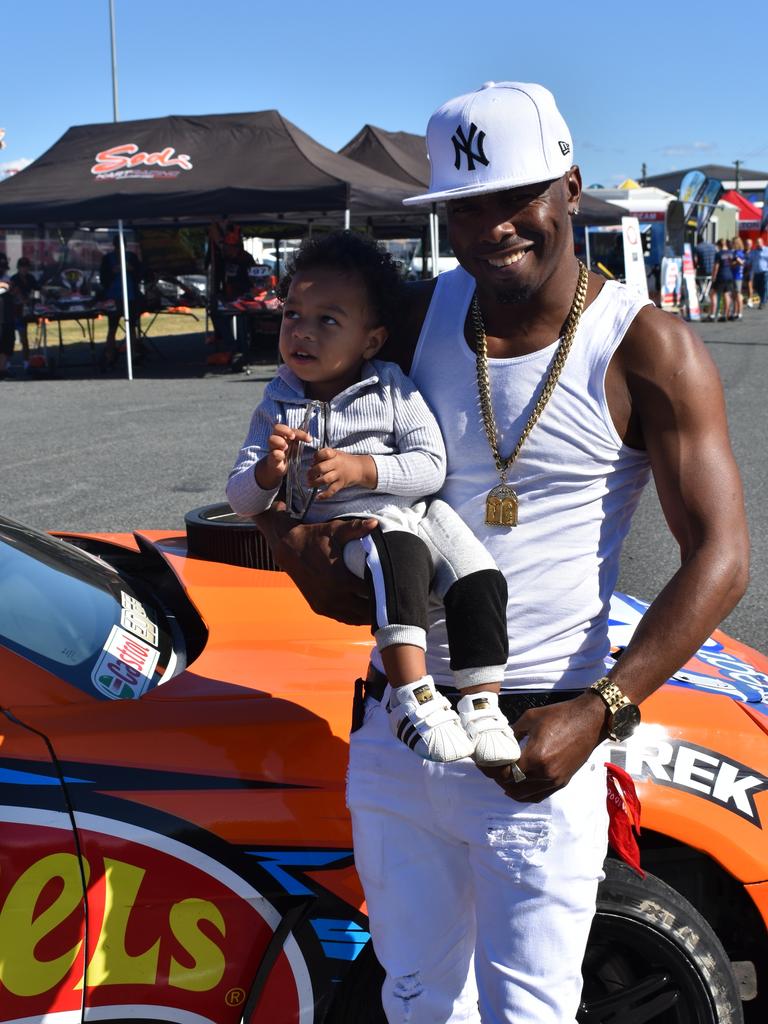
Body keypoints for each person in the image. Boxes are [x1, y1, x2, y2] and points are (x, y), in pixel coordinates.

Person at [253, 81, 749, 1023]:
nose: (493, 226)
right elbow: (347, 576)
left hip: (538, 738)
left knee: (530, 1011)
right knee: (415, 998)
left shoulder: (646, 346)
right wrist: (294, 534)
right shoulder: (417, 318)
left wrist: (600, 712)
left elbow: (722, 558)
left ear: (568, 185)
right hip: (399, 730)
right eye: (466, 205)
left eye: (516, 196)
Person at [227, 231, 521, 768]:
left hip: (418, 512)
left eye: (328, 321)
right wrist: (268, 472)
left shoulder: (392, 388)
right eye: (293, 314)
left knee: (479, 574)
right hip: (354, 531)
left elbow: (431, 467)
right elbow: (239, 497)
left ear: (371, 340)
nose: (303, 333)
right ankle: (414, 697)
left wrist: (363, 467)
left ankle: (483, 703)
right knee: (396, 554)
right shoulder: (278, 401)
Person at [98, 235, 144, 369]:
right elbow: (103, 278)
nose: (120, 248)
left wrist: (132, 269)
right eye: (118, 246)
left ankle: (133, 353)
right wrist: (113, 272)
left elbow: (140, 274)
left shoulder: (132, 257)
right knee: (112, 328)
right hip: (113, 296)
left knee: (131, 327)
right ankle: (109, 355)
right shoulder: (107, 259)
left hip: (130, 296)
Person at [9, 256, 36, 371]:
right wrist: (21, 299)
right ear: (19, 268)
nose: (24, 269)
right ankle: (7, 363)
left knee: (24, 339)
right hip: (13, 312)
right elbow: (12, 294)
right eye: (22, 267)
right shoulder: (13, 279)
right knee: (9, 339)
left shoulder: (31, 278)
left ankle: (26, 362)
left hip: (24, 312)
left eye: (26, 267)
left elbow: (37, 290)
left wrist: (33, 298)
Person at [710, 237, 736, 320]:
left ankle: (712, 314)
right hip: (729, 274)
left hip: (721, 275)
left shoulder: (719, 254)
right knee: (726, 294)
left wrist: (713, 277)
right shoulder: (730, 253)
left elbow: (716, 266)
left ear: (719, 245)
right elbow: (735, 262)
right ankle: (725, 314)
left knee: (713, 294)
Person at [0, 254, 15, 379]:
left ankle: (2, 369)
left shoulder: (7, 279)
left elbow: (7, 287)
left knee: (7, 342)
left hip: (6, 317)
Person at [693, 235, 717, 313]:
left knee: (701, 286)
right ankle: (707, 300)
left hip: (702, 271)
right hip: (712, 270)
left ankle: (703, 299)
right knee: (709, 288)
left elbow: (695, 260)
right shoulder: (713, 247)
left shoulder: (697, 248)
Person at [731, 236, 745, 319]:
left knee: (738, 294)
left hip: (737, 276)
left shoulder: (737, 253)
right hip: (737, 275)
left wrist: (732, 263)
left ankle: (739, 312)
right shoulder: (740, 252)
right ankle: (736, 312)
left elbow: (741, 262)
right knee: (735, 295)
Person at [753, 237, 768, 309]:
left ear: (762, 243)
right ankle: (763, 299)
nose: (758, 244)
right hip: (756, 272)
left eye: (759, 243)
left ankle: (762, 302)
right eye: (757, 243)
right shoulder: (754, 251)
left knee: (764, 287)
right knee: (757, 287)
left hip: (765, 271)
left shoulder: (766, 250)